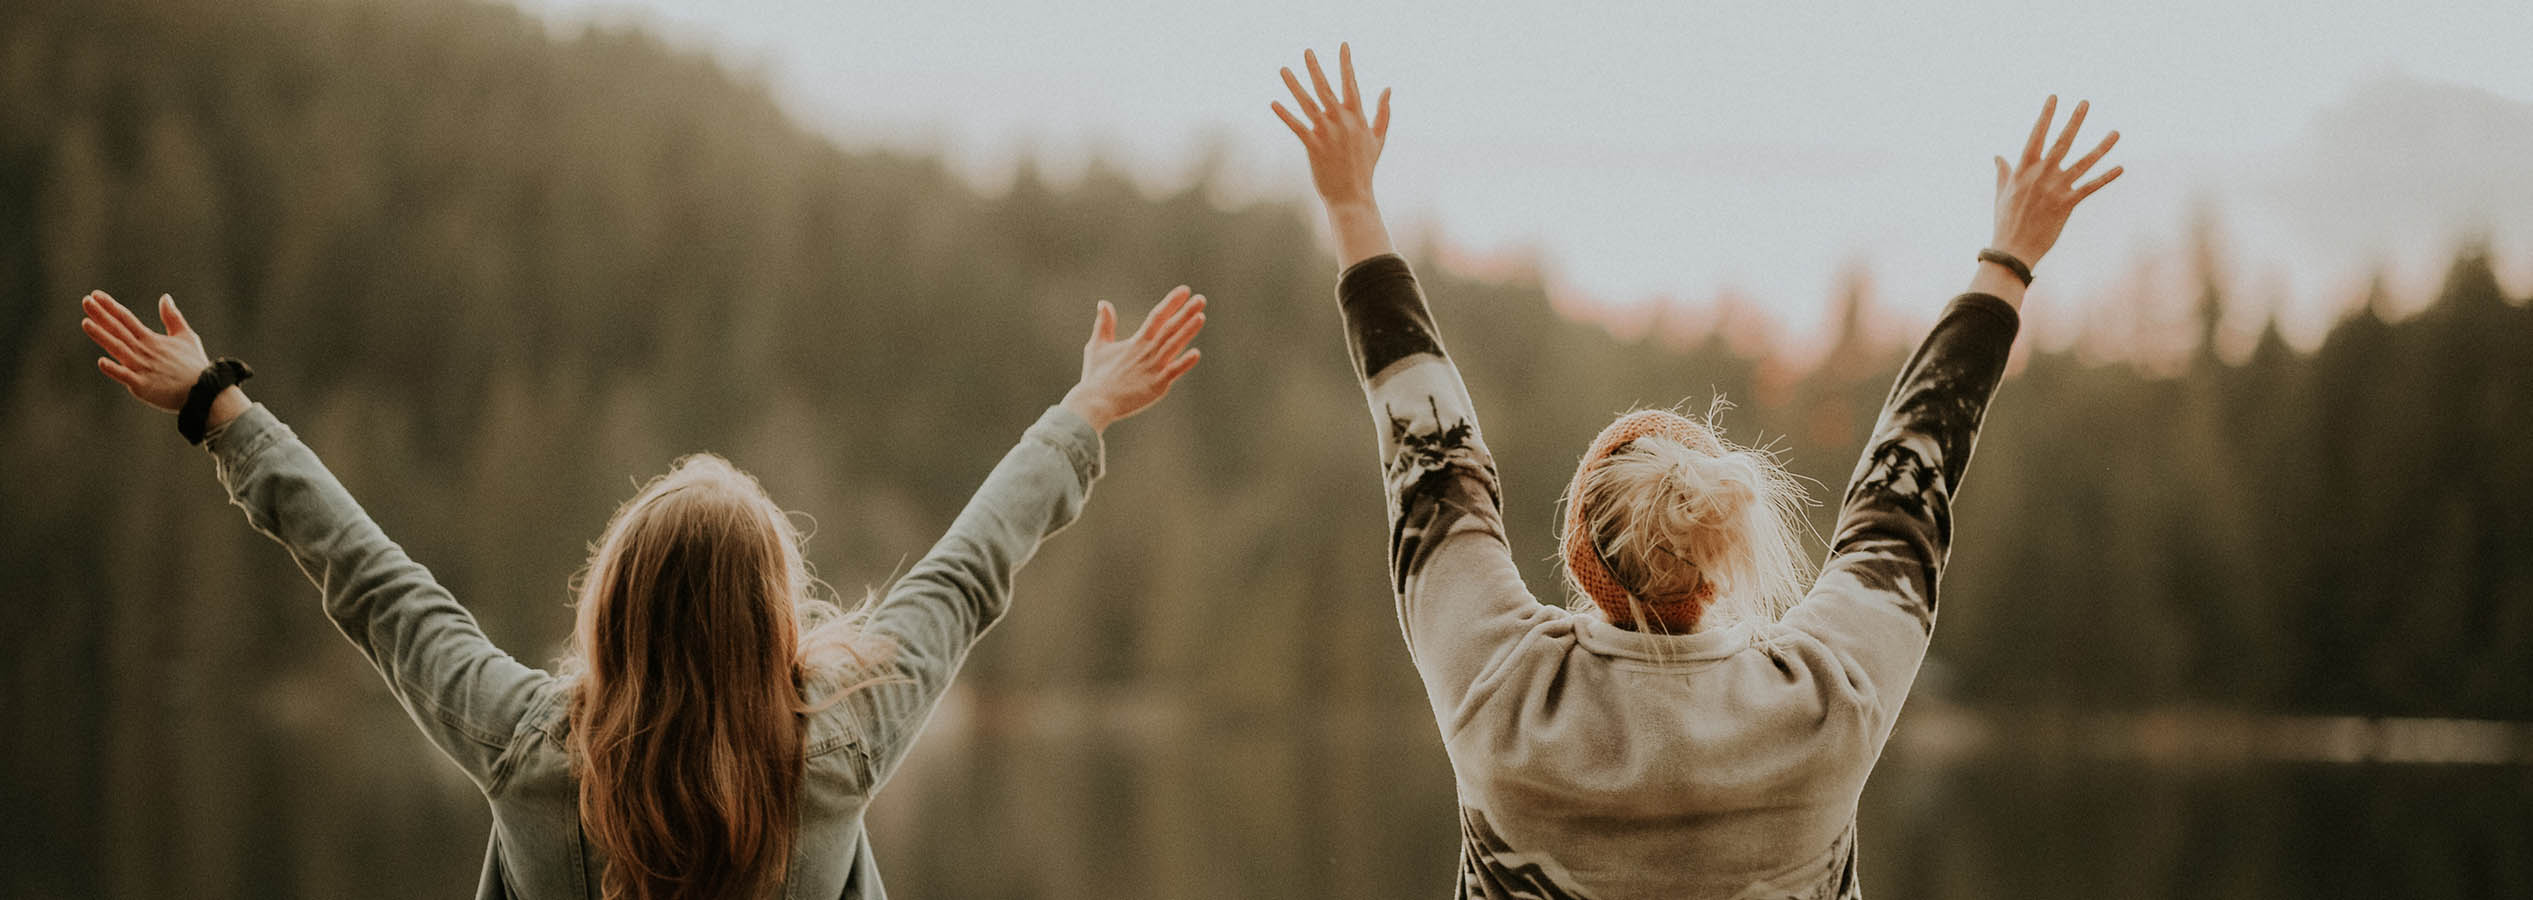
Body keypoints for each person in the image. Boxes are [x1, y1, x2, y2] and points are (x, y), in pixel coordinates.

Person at [1272, 44, 2121, 899]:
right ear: (1721, 553)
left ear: (1580, 558)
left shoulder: (1504, 693)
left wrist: (1351, 205)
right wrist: (2007, 259)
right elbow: (1906, 488)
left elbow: (1431, 461)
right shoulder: (1819, 704)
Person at [77, 285, 1207, 899]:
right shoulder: (835, 750)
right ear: (774, 622)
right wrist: (1084, 413)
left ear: (609, 610)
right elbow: (967, 572)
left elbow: (372, 581)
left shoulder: (527, 746)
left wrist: (220, 411)